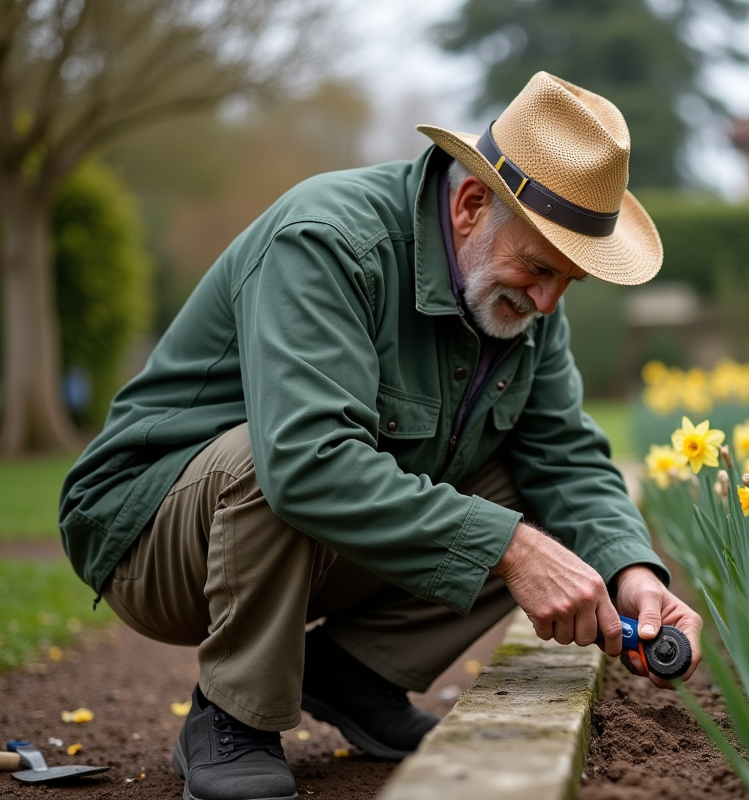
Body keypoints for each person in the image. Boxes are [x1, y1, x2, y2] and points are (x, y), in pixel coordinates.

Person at [58, 71, 703, 800]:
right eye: (540, 267)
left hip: (297, 535)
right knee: (277, 457)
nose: (549, 301)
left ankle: (354, 676)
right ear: (468, 205)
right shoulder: (328, 241)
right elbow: (304, 465)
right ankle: (232, 716)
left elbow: (566, 456)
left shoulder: (518, 300)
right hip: (151, 536)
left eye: (570, 282)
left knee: (534, 499)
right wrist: (511, 548)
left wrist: (630, 571)